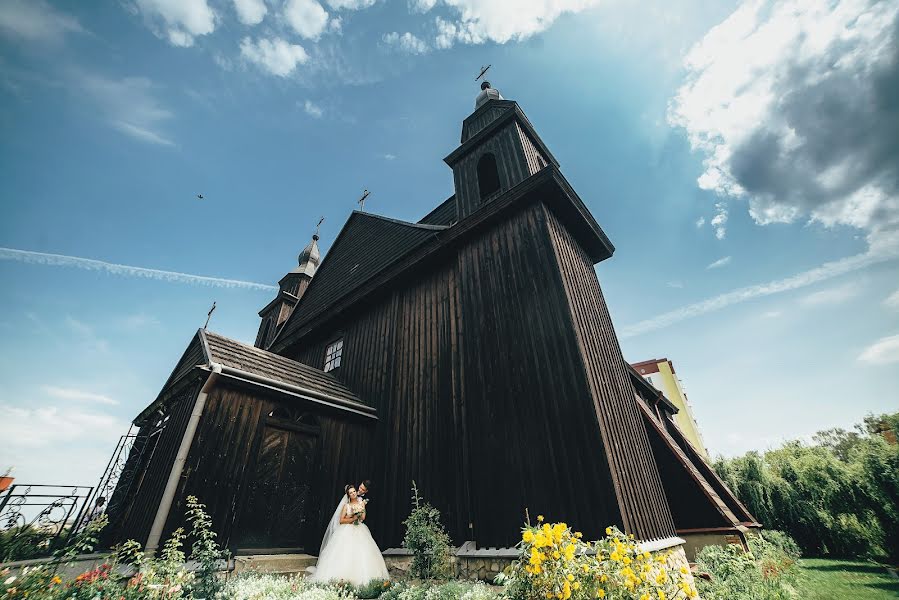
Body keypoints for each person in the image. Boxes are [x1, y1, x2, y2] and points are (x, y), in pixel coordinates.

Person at [309, 484, 389, 585]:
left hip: (360, 529)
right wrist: (352, 519)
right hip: (346, 530)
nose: (353, 493)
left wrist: (360, 511)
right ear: (348, 495)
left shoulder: (361, 503)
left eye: (354, 491)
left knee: (362, 552)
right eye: (350, 493)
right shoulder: (346, 506)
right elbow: (341, 520)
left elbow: (363, 518)